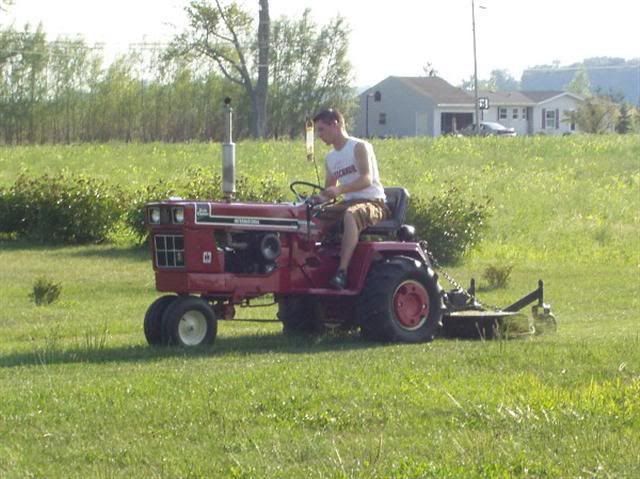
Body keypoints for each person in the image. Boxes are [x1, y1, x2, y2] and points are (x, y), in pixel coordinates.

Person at [312, 109, 388, 289]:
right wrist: (314, 200)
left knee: (350, 215)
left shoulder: (359, 146)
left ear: (335, 124)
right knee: (313, 217)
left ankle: (342, 271)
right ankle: (315, 266)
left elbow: (366, 179)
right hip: (348, 202)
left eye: (321, 129)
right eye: (317, 131)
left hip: (372, 202)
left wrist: (340, 189)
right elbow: (327, 191)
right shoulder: (331, 158)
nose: (319, 135)